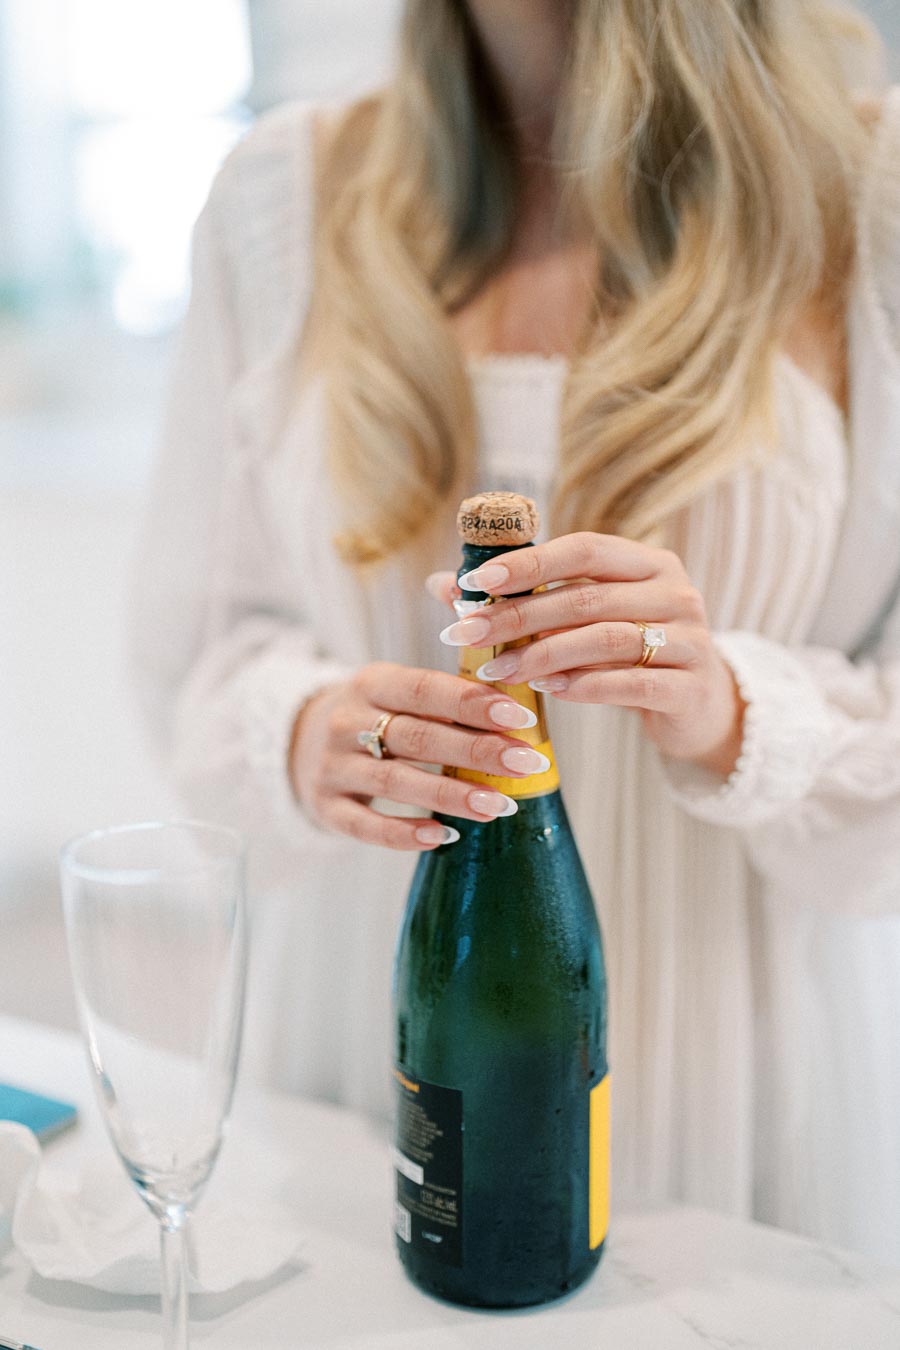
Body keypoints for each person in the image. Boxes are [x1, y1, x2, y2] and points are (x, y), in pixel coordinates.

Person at [131, 1, 900, 1264]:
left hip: (745, 1061)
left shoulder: (871, 196)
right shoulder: (280, 194)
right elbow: (196, 654)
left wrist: (731, 713)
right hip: (380, 1014)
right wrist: (307, 734)